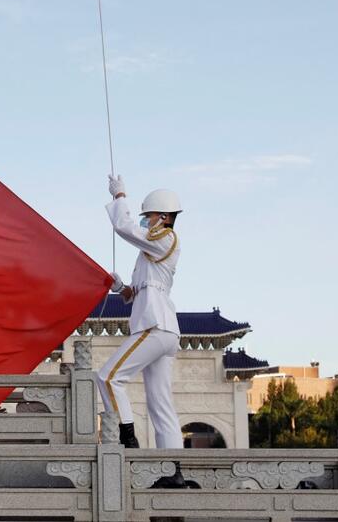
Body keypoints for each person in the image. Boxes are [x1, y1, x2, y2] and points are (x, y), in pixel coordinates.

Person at [96, 174, 187, 488]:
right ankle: (174, 472)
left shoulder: (165, 238)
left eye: (148, 216)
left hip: (155, 324)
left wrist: (120, 195)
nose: (145, 221)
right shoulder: (155, 246)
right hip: (162, 327)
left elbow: (123, 227)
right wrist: (123, 288)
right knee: (160, 403)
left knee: (107, 377)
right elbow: (145, 289)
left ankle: (128, 442)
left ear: (163, 217)